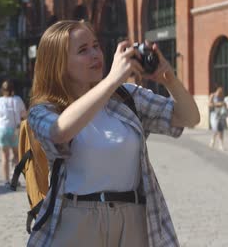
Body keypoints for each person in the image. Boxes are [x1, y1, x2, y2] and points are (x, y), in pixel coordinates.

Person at [26, 20, 200, 246]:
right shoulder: (44, 110)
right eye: (83, 50)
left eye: (96, 46)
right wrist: (111, 79)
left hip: (133, 219)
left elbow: (190, 118)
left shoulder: (126, 97)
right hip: (78, 219)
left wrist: (169, 78)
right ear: (58, 64)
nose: (95, 54)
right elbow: (59, 132)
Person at [0, 79, 27, 187]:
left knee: (4, 156)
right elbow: (24, 114)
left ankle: (6, 181)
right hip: (15, 130)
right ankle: (14, 178)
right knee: (16, 155)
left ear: (2, 90)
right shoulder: (18, 99)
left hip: (2, 129)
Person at [208, 86, 226, 150]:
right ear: (217, 90)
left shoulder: (222, 97)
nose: (220, 93)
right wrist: (217, 104)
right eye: (219, 91)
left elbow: (225, 105)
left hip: (220, 114)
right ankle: (213, 139)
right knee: (215, 128)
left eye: (221, 92)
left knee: (220, 129)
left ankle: (221, 144)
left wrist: (224, 104)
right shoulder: (212, 95)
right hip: (214, 114)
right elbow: (209, 104)